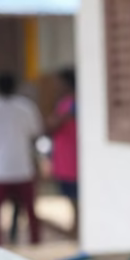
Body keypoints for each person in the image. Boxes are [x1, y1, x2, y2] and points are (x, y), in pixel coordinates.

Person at [0, 72, 44, 246]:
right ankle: (35, 244)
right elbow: (35, 137)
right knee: (30, 211)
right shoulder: (27, 108)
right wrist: (38, 162)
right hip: (22, 168)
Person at [45, 67, 79, 238]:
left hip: (73, 160)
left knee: (76, 196)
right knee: (71, 197)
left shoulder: (72, 104)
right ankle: (76, 228)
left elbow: (51, 126)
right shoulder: (64, 103)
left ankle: (77, 229)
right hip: (66, 158)